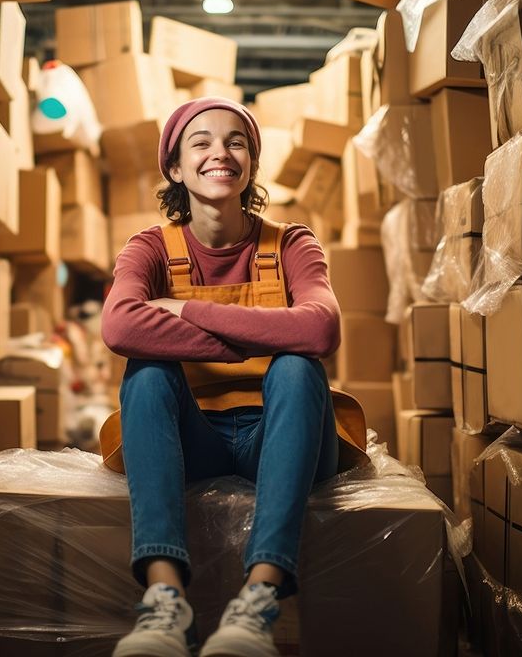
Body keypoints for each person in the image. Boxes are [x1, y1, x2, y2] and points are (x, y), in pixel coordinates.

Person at [99, 97, 368, 657]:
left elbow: (319, 332)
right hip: (193, 439)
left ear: (251, 162)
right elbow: (121, 326)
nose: (219, 152)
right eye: (200, 142)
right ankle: (166, 606)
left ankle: (259, 601)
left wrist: (185, 311)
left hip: (281, 437)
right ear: (174, 167)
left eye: (235, 141)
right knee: (146, 370)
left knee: (299, 366)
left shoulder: (292, 244)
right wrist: (269, 333)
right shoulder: (149, 249)